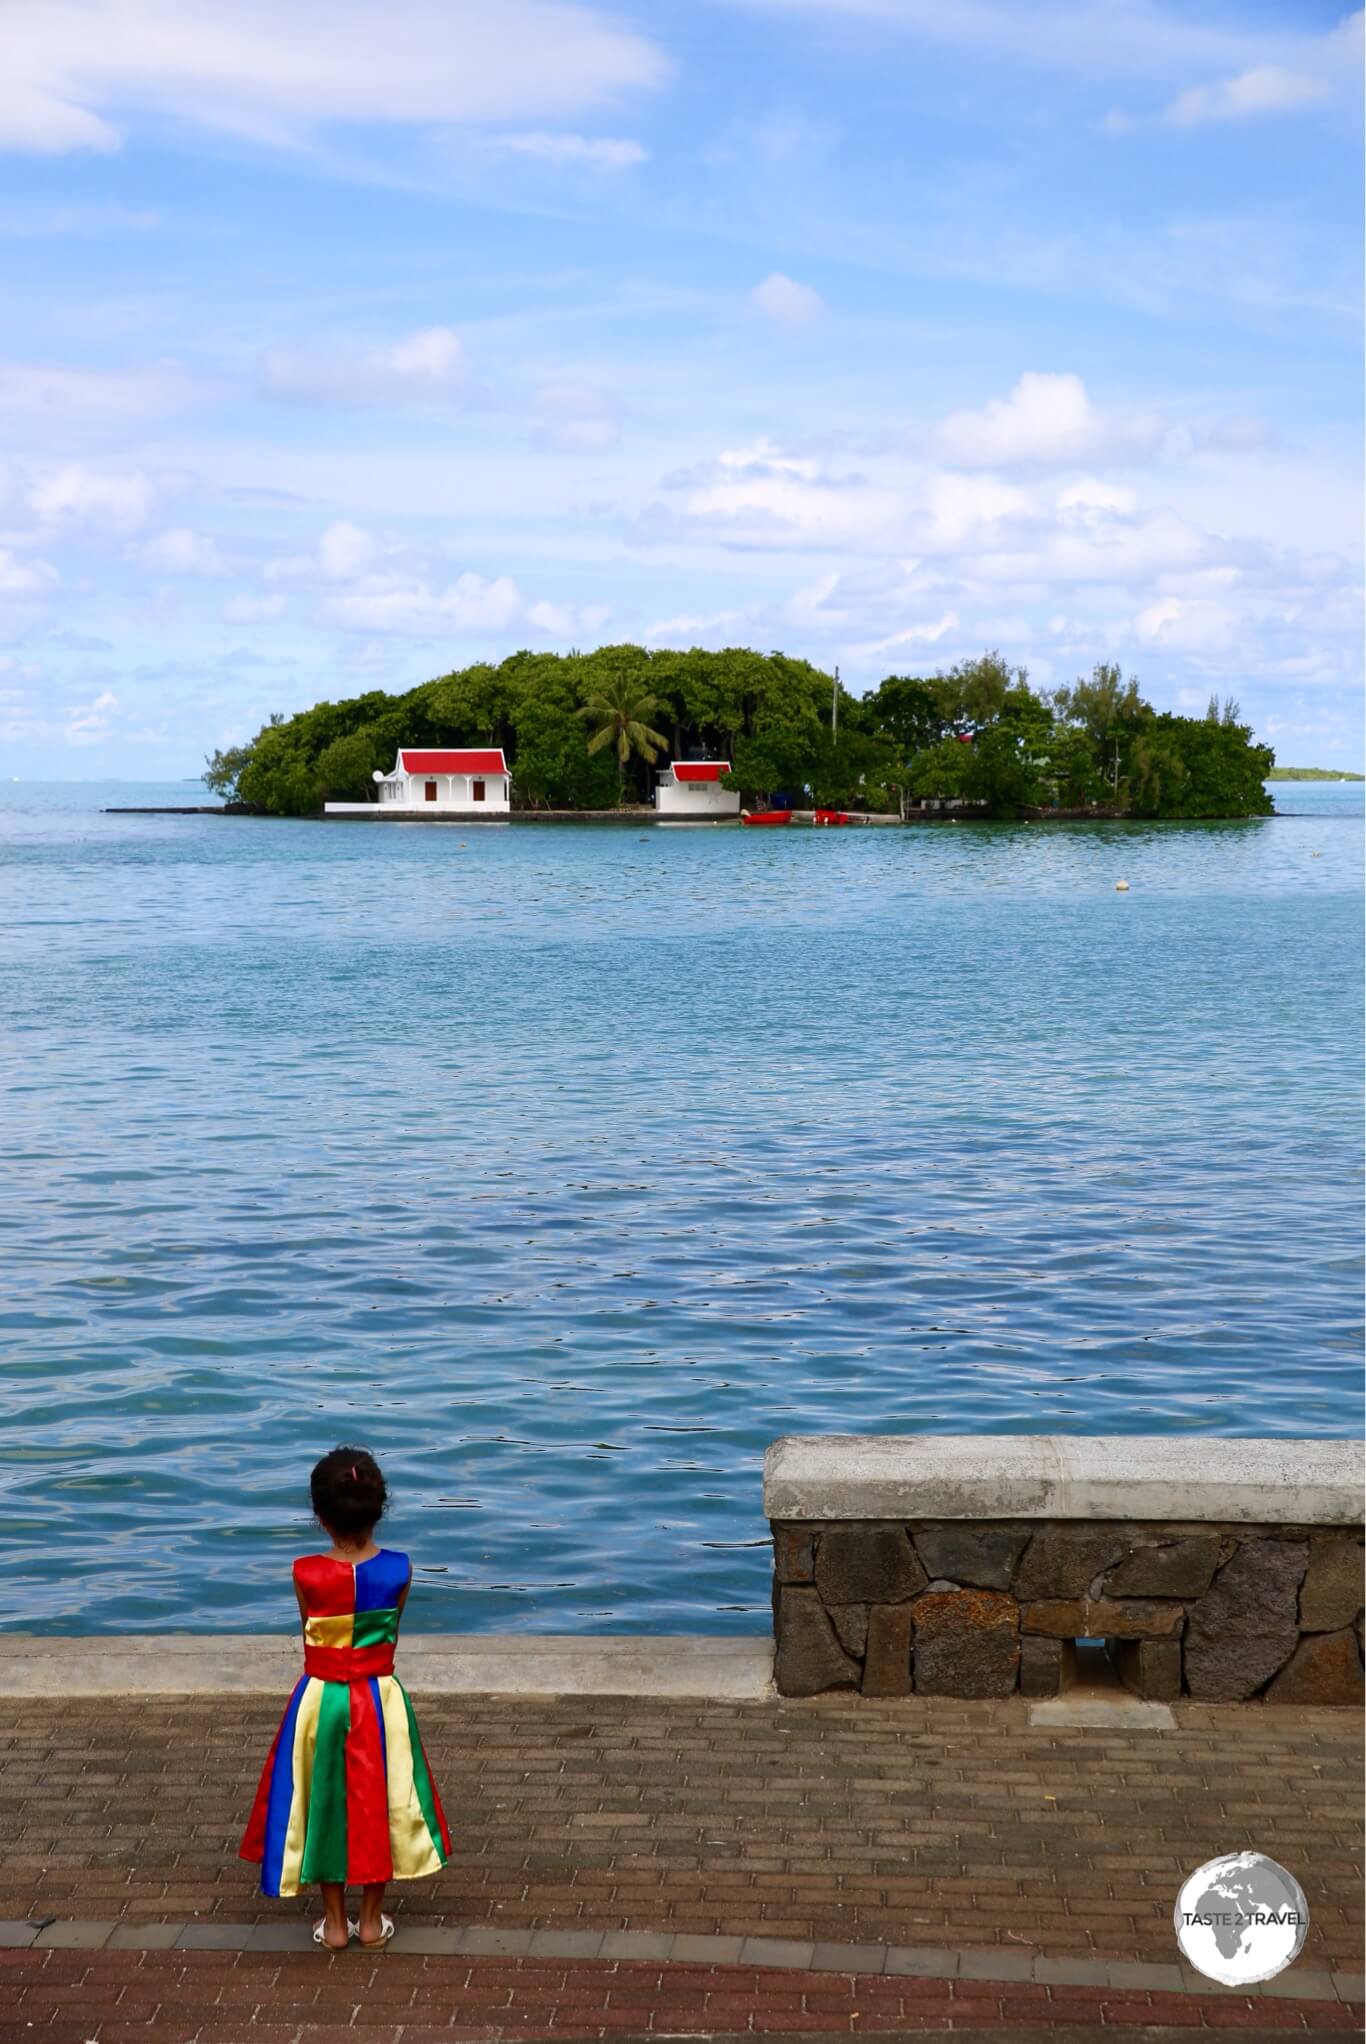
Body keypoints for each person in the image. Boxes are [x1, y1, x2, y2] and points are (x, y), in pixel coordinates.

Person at [240, 1447, 451, 1949]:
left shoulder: (305, 1573)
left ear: (319, 1516)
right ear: (379, 1508)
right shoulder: (399, 1569)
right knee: (382, 1798)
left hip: (319, 1700)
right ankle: (373, 1921)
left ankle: (334, 1925)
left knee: (323, 1800)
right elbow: (390, 1628)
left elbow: (308, 1632)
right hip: (380, 1699)